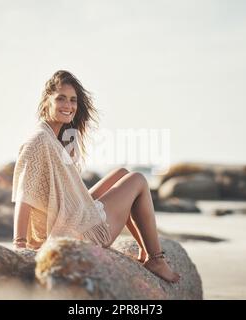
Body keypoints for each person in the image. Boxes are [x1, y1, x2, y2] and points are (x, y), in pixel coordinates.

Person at [12, 70, 180, 283]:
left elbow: (69, 192)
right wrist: (19, 244)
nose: (68, 105)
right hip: (76, 232)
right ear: (47, 101)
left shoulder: (52, 137)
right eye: (61, 98)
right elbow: (24, 195)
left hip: (69, 216)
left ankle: (145, 251)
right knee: (138, 180)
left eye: (73, 100)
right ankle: (156, 258)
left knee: (122, 174)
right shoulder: (39, 141)